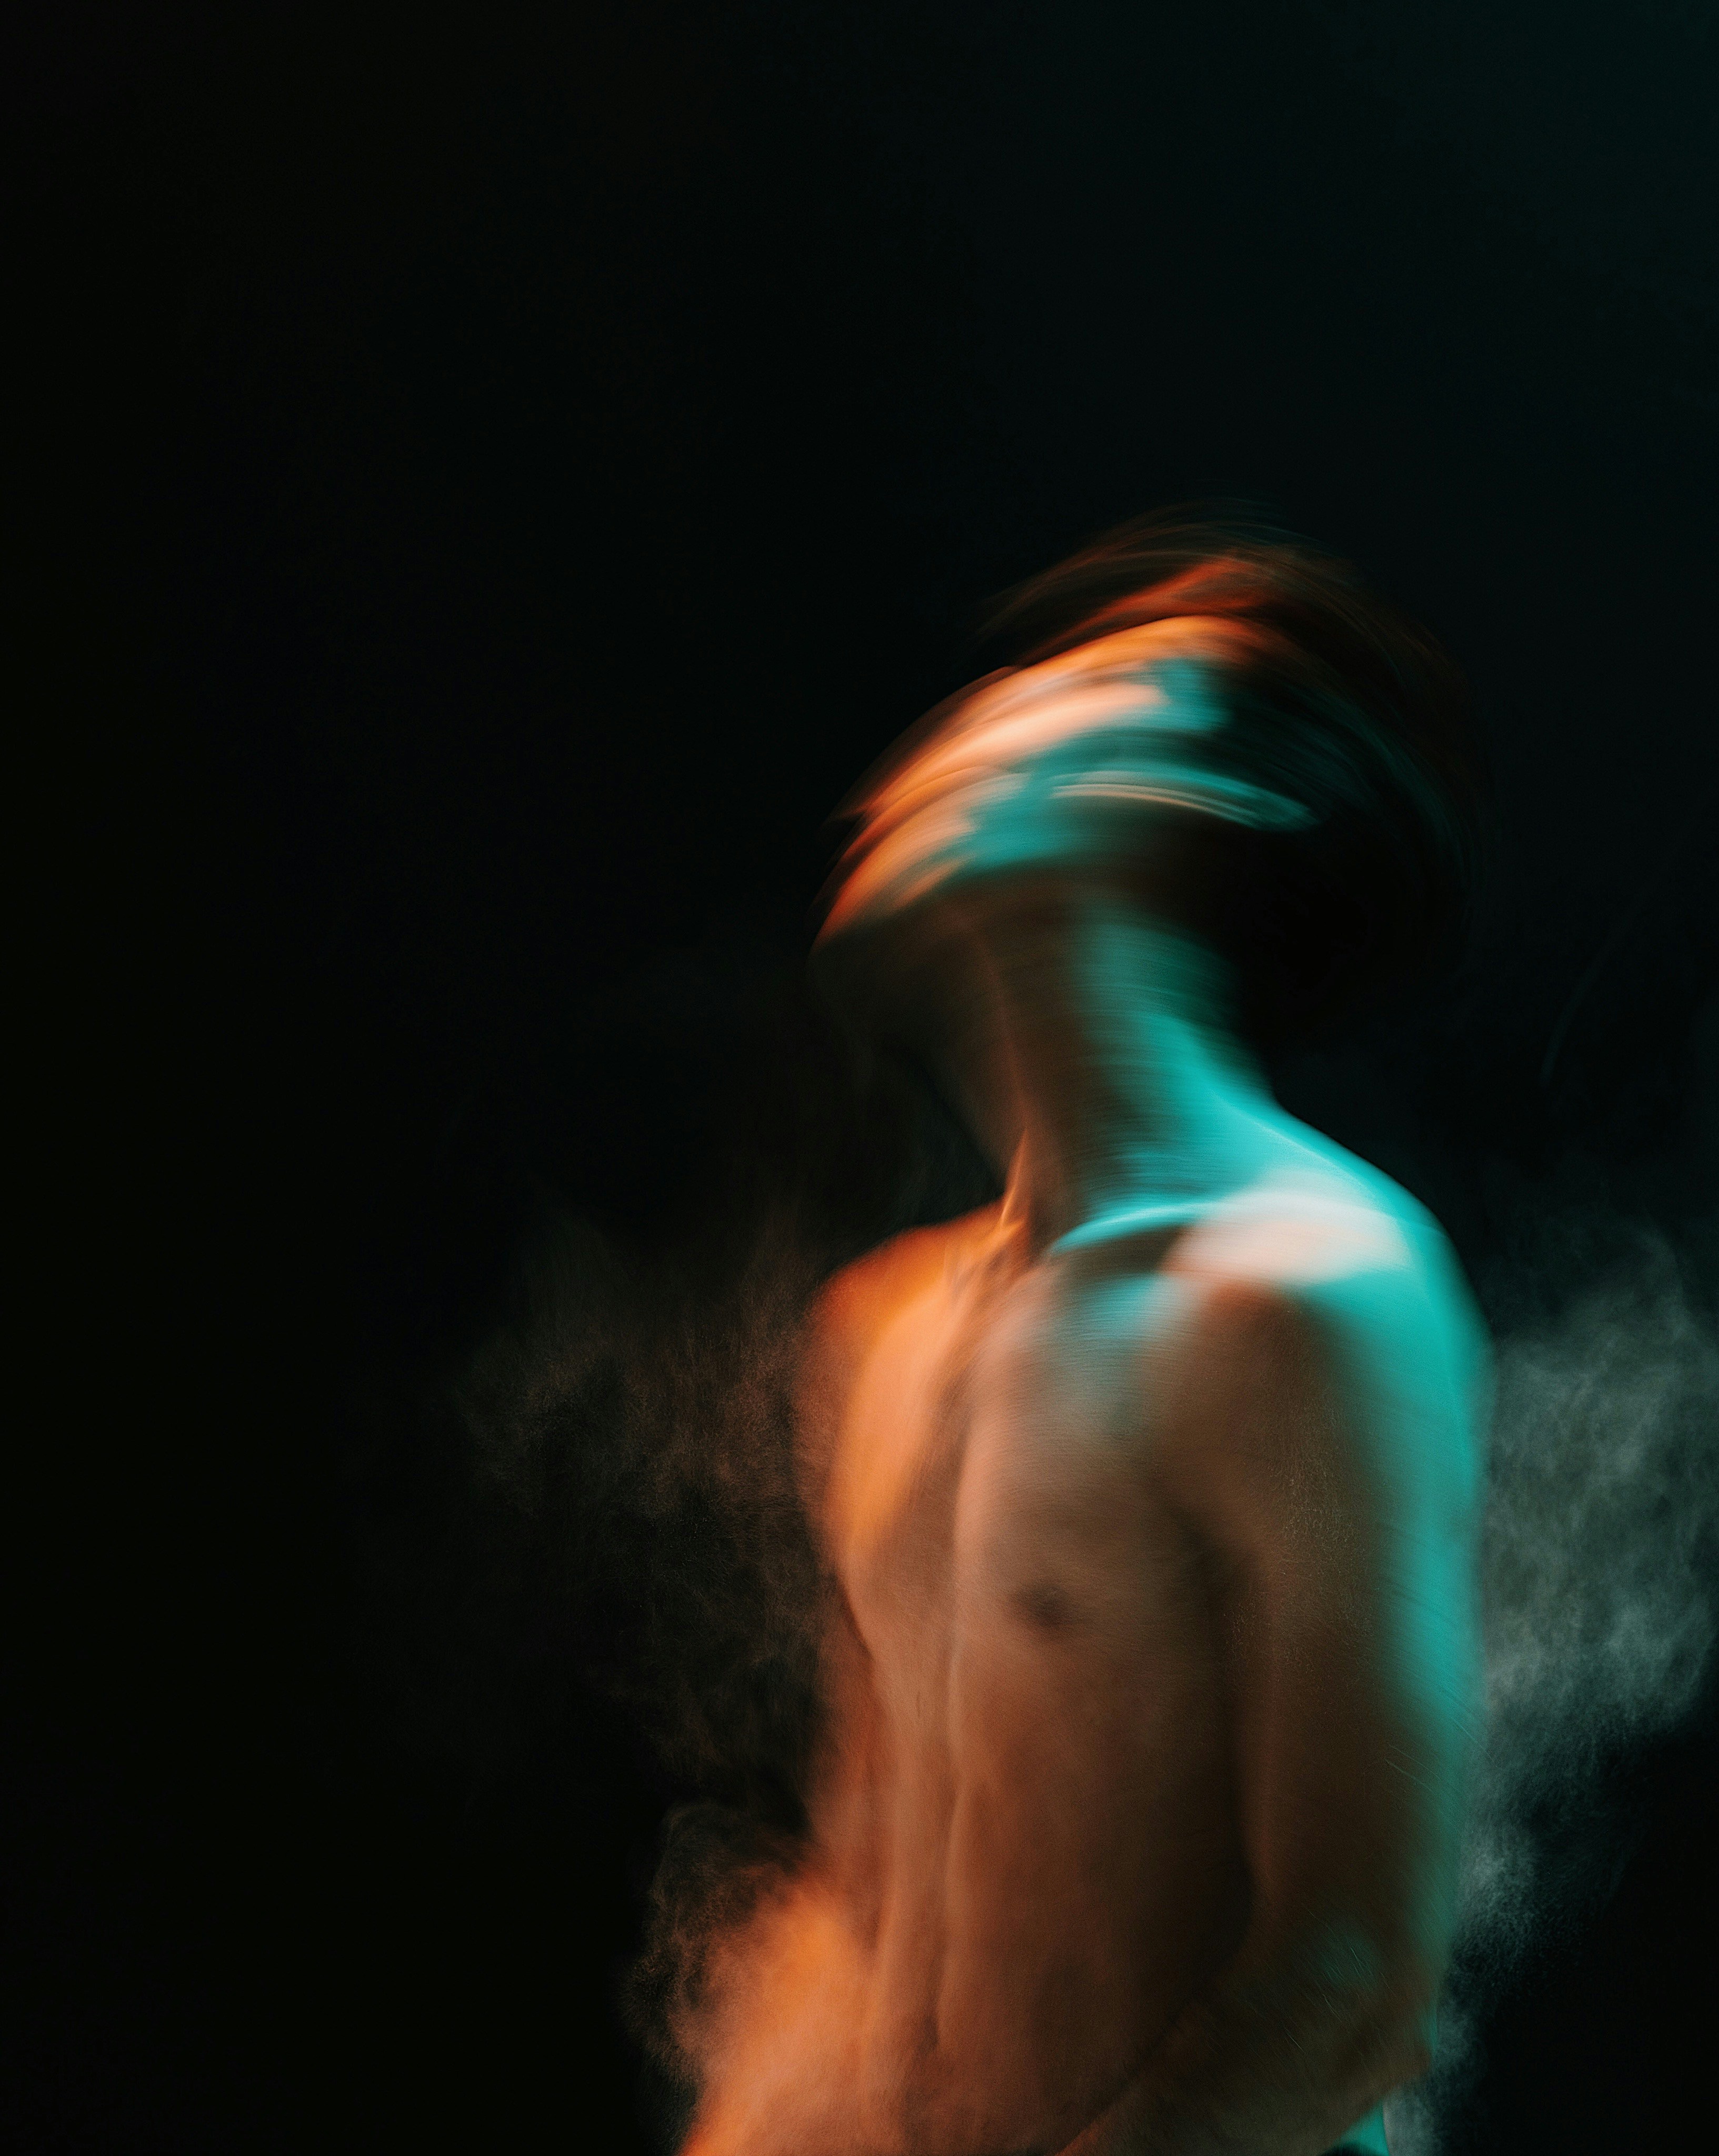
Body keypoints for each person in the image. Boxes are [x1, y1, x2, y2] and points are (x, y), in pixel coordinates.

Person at [676, 517, 1491, 2156]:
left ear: (1235, 790)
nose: (972, 723)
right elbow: (862, 1902)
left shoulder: (1301, 1293)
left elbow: (1346, 1979)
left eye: (1085, 685)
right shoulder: (889, 1325)